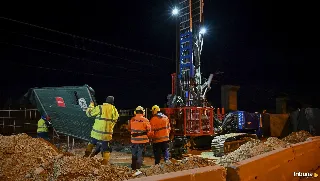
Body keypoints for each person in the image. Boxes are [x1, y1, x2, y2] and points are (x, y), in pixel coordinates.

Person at [83, 96, 119, 165]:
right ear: (112, 102)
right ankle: (104, 164)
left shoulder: (100, 107)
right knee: (106, 149)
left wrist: (91, 105)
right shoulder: (115, 111)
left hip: (96, 134)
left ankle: (85, 159)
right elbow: (114, 122)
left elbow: (89, 113)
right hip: (106, 136)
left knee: (90, 145)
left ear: (106, 101)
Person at [128, 106, 153, 176]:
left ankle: (133, 168)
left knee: (134, 154)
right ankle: (138, 169)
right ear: (143, 112)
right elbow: (149, 131)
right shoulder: (145, 120)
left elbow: (129, 128)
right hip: (142, 141)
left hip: (134, 141)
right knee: (140, 155)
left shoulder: (132, 119)